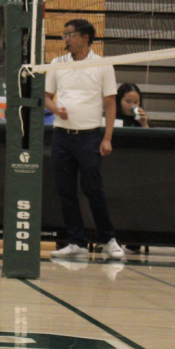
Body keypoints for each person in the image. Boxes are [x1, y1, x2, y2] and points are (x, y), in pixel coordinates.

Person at [44, 19, 124, 261]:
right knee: (65, 191)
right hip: (61, 137)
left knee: (93, 190)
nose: (66, 39)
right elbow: (46, 97)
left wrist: (107, 137)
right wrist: (57, 110)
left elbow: (110, 103)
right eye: (65, 35)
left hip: (89, 137)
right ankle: (77, 242)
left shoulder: (102, 65)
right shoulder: (57, 63)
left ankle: (108, 240)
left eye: (71, 35)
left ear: (86, 38)